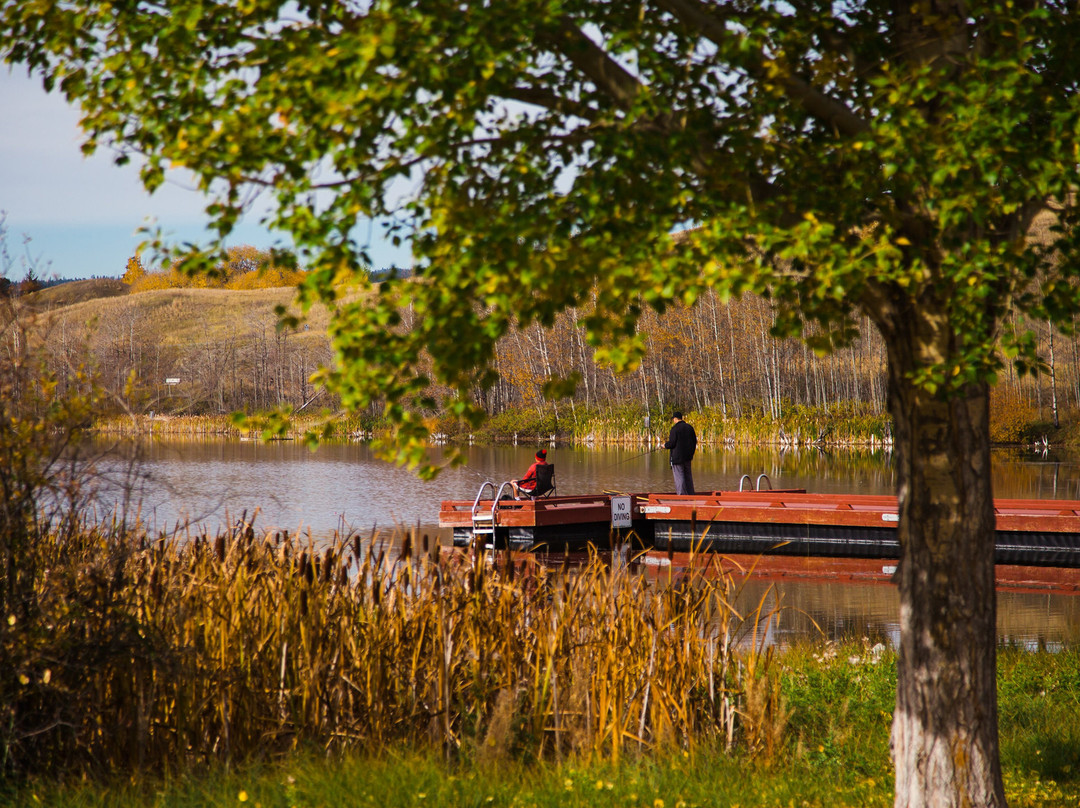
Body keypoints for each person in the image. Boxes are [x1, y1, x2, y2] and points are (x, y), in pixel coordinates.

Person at [664, 411, 697, 495]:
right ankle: (690, 494)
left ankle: (681, 495)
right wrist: (691, 454)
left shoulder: (675, 429)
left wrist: (664, 445)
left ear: (675, 419)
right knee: (688, 477)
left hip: (677, 458)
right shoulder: (690, 428)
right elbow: (694, 442)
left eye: (673, 419)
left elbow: (672, 443)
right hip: (688, 457)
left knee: (679, 477)